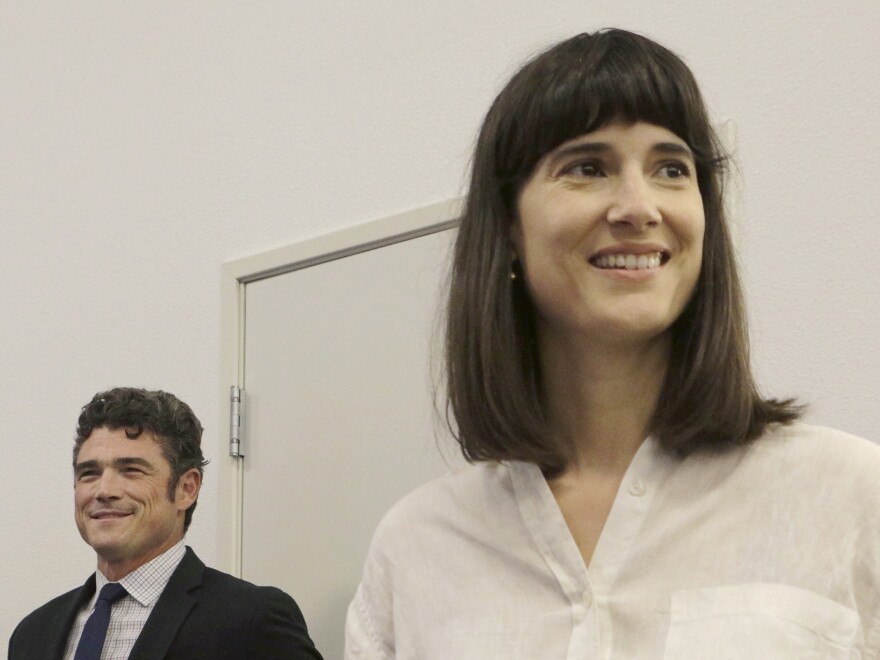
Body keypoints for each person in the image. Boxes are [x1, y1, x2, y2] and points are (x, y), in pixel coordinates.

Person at [345, 29, 880, 659]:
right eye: (587, 167)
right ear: (509, 227)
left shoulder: (850, 497)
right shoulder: (417, 547)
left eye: (671, 169)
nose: (638, 206)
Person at [9, 387, 322, 660]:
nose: (104, 490)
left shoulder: (251, 621)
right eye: (89, 473)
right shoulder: (33, 634)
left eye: (131, 470)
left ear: (187, 488)